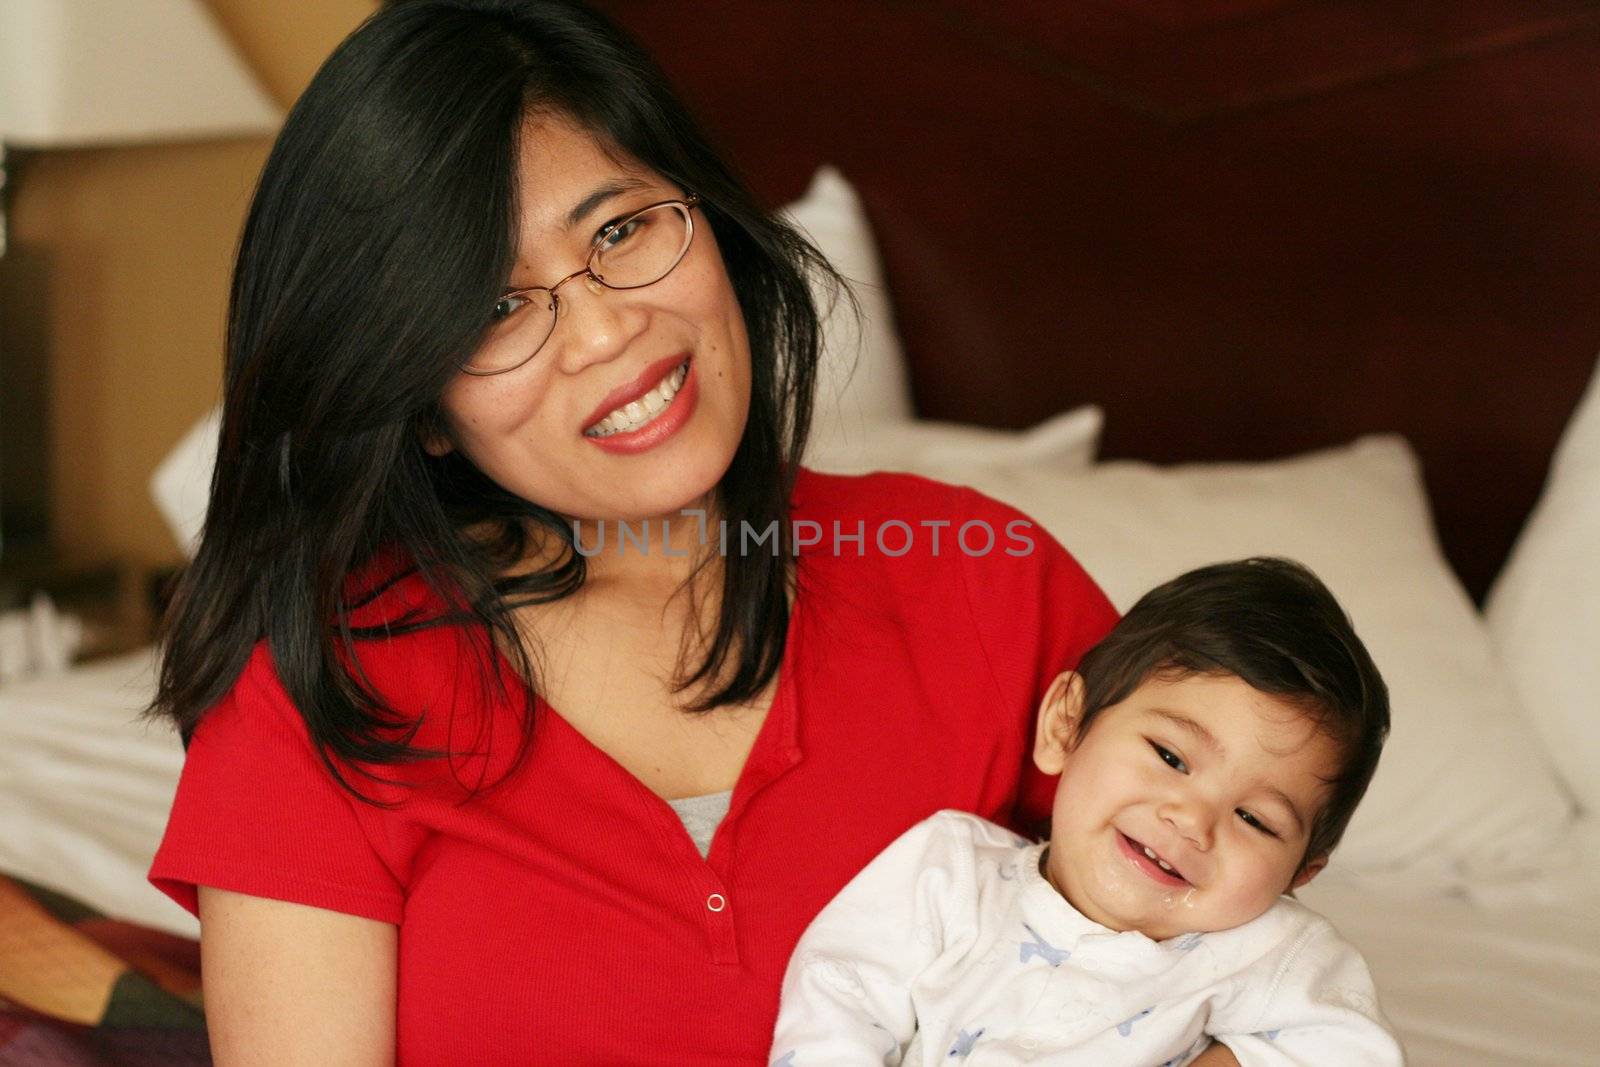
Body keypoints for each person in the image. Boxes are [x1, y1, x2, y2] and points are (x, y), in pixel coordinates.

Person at [143, 2, 1248, 1064]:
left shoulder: (984, 581)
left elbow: (1252, 987)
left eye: (621, 230)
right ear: (422, 402)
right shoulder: (321, 684)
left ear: (708, 217)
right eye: (493, 308)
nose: (608, 329)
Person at [770, 558, 1401, 1065]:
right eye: (1172, 757)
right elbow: (837, 999)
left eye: (1255, 820)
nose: (1192, 820)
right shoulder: (952, 872)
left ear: (1300, 875)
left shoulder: (1270, 951)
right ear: (1066, 724)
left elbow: (1351, 1051)